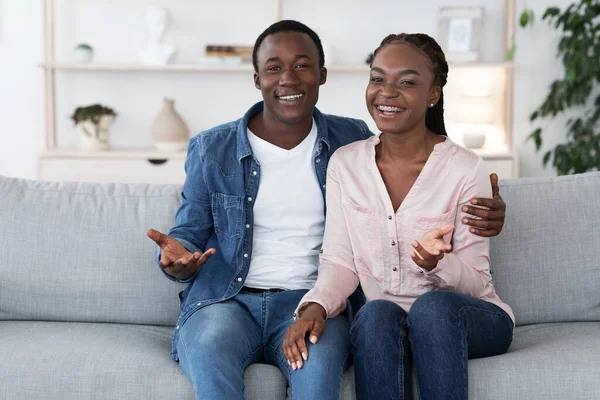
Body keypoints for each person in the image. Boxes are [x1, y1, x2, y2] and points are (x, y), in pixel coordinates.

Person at [147, 21, 507, 400]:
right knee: (370, 316)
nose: (288, 79)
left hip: (317, 298)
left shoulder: (349, 140)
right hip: (229, 300)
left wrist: (487, 214)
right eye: (274, 68)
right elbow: (187, 234)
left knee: (326, 375)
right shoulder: (217, 149)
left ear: (322, 75)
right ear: (257, 78)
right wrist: (176, 258)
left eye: (302, 66)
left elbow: (412, 148)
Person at [283, 33, 515, 400]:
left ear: (433, 94)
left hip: (470, 319)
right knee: (375, 314)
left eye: (406, 82)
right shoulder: (346, 164)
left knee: (433, 309)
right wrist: (316, 306)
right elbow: (341, 260)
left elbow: (475, 283)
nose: (386, 92)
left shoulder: (466, 170)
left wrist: (439, 264)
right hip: (389, 322)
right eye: (377, 78)